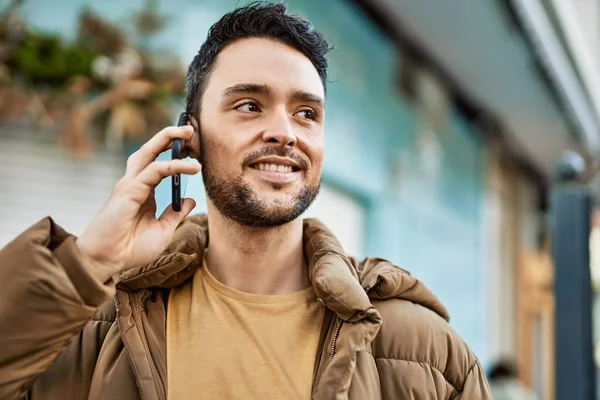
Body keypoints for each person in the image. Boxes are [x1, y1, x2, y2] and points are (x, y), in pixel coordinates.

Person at [0, 3, 492, 399]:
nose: (283, 132)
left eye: (305, 113)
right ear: (187, 138)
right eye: (249, 105)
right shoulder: (87, 331)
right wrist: (87, 261)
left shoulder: (428, 354)